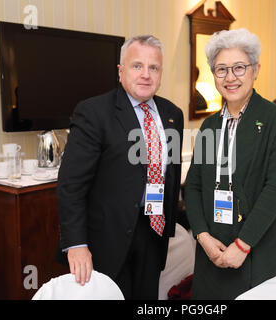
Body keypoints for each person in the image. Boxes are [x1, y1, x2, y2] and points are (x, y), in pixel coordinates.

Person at [56, 35, 184, 299]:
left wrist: (167, 227)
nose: (146, 74)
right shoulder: (94, 112)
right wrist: (76, 244)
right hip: (107, 238)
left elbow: (170, 173)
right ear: (120, 71)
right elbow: (71, 185)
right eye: (137, 66)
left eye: (154, 68)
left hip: (154, 232)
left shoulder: (173, 114)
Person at [184, 28, 276, 299]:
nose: (230, 77)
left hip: (258, 250)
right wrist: (202, 237)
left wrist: (243, 245)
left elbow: (275, 189)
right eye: (221, 69)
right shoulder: (209, 125)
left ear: (255, 70)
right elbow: (194, 186)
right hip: (213, 251)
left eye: (239, 68)